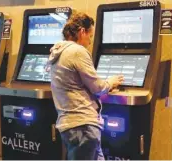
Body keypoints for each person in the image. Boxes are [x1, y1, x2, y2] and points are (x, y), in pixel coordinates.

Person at [48, 12, 124, 160]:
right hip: (82, 125)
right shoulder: (77, 51)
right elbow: (98, 87)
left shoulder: (59, 51)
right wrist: (111, 82)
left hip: (70, 124)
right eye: (90, 36)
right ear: (82, 31)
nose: (90, 41)